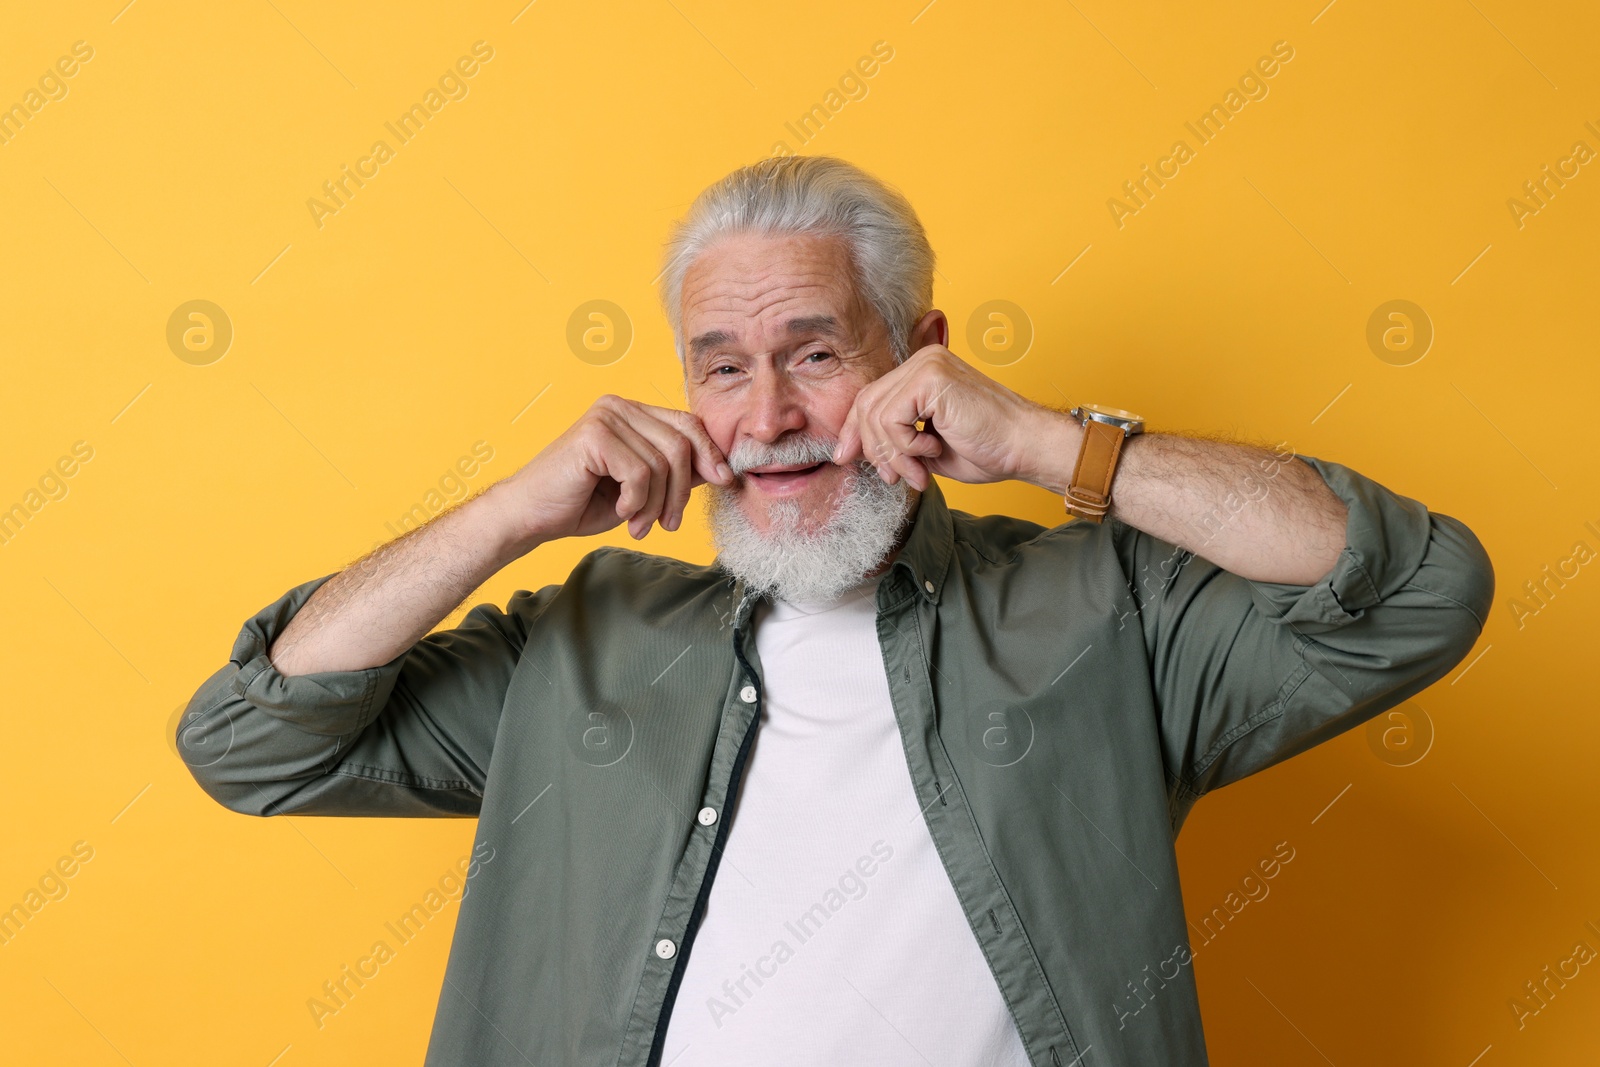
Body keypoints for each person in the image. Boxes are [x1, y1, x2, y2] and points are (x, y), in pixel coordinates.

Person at [178, 155, 1494, 1066]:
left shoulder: (1105, 613)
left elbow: (1421, 589)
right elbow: (252, 741)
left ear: (914, 349)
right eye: (723, 370)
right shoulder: (586, 641)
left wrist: (1048, 444)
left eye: (814, 353)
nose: (767, 421)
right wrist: (508, 514)